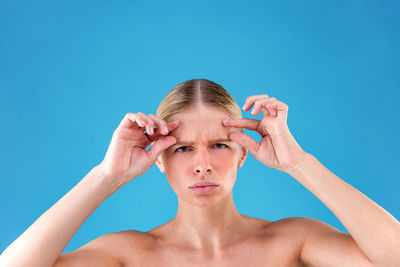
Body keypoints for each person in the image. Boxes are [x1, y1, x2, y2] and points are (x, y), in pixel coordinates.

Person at [1, 79, 399, 267]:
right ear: (157, 157)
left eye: (220, 145)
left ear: (243, 153)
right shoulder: (128, 254)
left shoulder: (293, 242)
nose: (202, 164)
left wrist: (299, 163)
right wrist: (106, 177)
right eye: (183, 148)